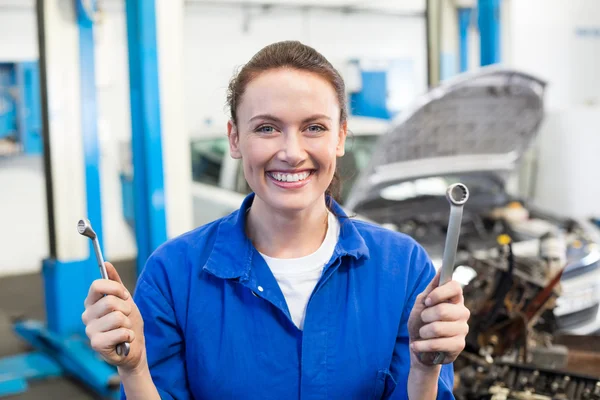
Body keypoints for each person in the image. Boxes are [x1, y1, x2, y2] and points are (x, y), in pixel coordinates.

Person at [82, 40, 470, 399]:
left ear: (340, 137)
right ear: (234, 138)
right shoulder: (174, 274)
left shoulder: (402, 268)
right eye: (267, 128)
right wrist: (134, 370)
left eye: (314, 128)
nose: (291, 152)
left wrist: (424, 369)